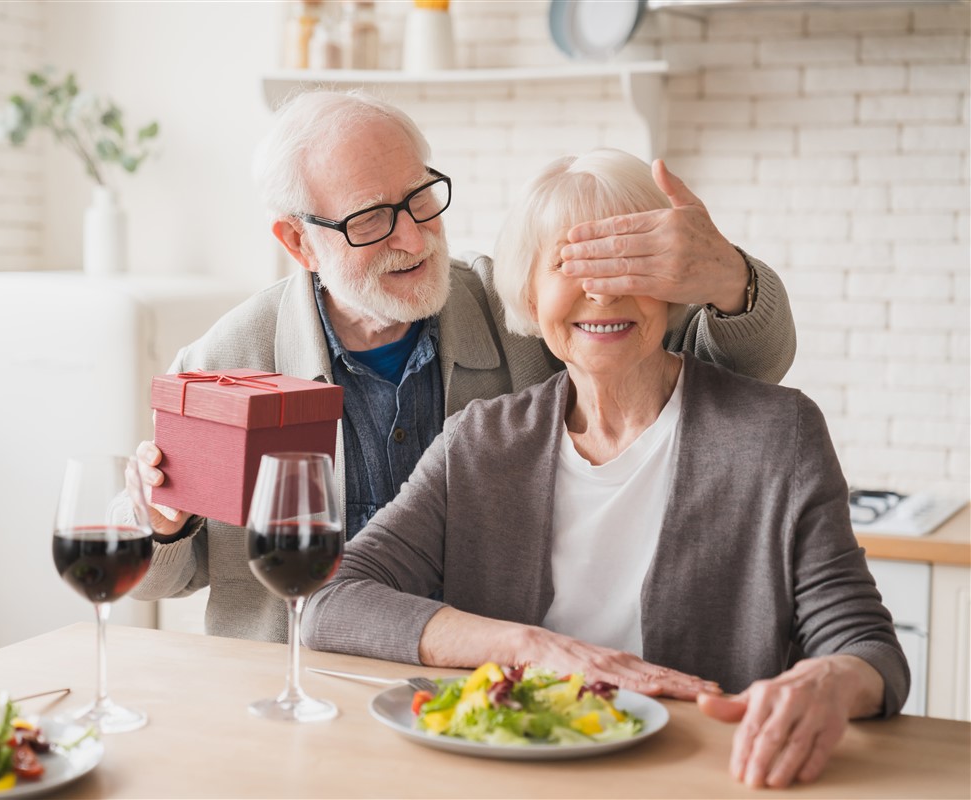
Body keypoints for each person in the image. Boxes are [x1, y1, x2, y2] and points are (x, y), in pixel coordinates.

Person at [300, 148, 906, 790]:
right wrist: (530, 648)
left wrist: (832, 680)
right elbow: (332, 603)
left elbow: (868, 648)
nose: (603, 290)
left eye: (629, 262)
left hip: (710, 776)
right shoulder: (480, 442)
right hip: (508, 779)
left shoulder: (777, 434)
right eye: (570, 263)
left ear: (675, 282)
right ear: (529, 292)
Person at [127, 89, 797, 643]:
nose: (415, 238)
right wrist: (160, 525)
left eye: (420, 198)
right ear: (298, 241)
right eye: (372, 220)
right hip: (301, 695)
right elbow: (166, 578)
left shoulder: (516, 307)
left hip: (486, 694)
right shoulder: (224, 362)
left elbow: (731, 375)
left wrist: (730, 279)